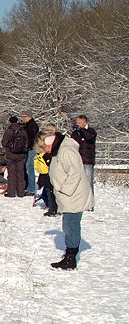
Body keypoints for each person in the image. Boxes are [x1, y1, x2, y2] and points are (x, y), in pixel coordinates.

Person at [44, 132, 94, 269]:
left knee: (71, 225)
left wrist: (64, 189)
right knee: (69, 225)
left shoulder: (66, 151)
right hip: (69, 196)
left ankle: (71, 258)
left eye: (45, 146)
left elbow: (75, 173)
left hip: (73, 195)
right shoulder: (60, 151)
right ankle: (69, 256)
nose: (44, 149)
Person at [70, 114, 96, 203]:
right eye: (77, 123)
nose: (77, 124)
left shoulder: (91, 131)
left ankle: (89, 202)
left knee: (88, 182)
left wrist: (81, 130)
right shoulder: (76, 133)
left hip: (87, 160)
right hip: (77, 160)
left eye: (79, 123)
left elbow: (90, 137)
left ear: (85, 123)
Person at [1, 116, 30, 197]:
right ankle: (21, 192)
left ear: (10, 122)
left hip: (11, 155)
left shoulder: (9, 131)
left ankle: (11, 193)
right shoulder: (23, 131)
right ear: (17, 122)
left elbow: (4, 143)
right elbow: (27, 142)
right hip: (21, 155)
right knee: (21, 174)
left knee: (12, 174)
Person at [33, 136, 58, 217]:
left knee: (50, 192)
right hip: (44, 175)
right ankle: (50, 206)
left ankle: (52, 209)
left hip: (48, 175)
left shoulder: (49, 156)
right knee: (46, 193)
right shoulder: (44, 155)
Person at [22, 115, 40, 195]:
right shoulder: (29, 125)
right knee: (27, 166)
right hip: (29, 148)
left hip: (31, 148)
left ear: (29, 117)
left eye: (25, 117)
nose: (24, 118)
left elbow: (33, 138)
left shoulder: (33, 126)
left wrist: (28, 145)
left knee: (29, 167)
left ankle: (31, 188)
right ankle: (28, 186)